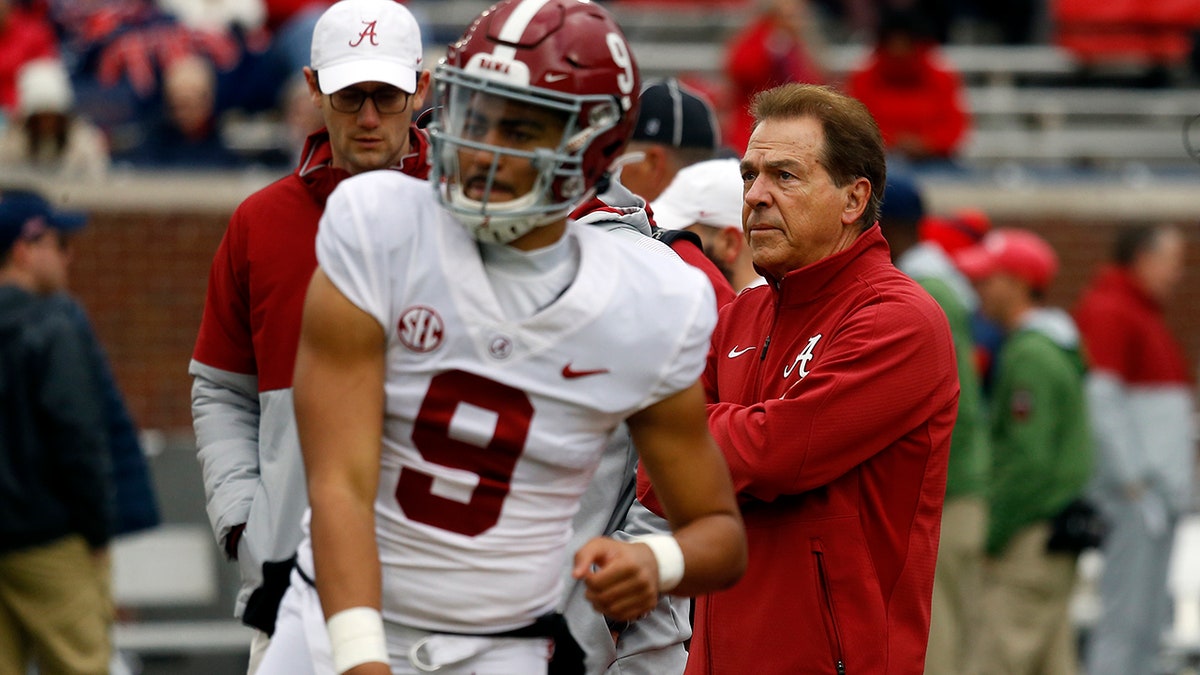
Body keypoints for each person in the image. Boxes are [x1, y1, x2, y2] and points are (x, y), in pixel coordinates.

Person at [258, 1, 748, 673]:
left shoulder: (651, 294)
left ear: (590, 142)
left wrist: (655, 559)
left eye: (518, 127)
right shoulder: (375, 225)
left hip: (502, 647)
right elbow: (338, 481)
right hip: (338, 619)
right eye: (477, 116)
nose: (484, 146)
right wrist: (360, 657)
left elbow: (718, 532)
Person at [650, 82, 958, 674]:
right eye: (749, 176)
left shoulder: (901, 319)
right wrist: (704, 440)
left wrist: (689, 434)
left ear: (853, 199)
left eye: (785, 176)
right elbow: (656, 480)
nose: (757, 196)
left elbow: (777, 455)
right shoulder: (742, 310)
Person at [189, 0, 431, 671]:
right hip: (289, 584)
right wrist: (247, 523)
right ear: (312, 87)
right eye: (351, 95)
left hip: (448, 595)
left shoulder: (471, 215)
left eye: (386, 94)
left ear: (423, 87)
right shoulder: (259, 223)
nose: (370, 117)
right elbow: (220, 388)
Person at [955, 228, 1093, 675]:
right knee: (1053, 663)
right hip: (1051, 534)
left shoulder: (1030, 354)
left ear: (1017, 283)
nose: (979, 290)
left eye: (988, 279)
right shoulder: (1049, 343)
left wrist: (993, 535)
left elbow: (1027, 461)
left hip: (1028, 539)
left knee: (993, 661)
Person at [878, 175, 991, 675]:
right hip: (960, 486)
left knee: (938, 638)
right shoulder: (938, 282)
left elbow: (951, 404)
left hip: (947, 490)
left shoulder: (924, 289)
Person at [0, 188, 113, 675]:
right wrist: (98, 530)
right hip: (49, 538)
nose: (67, 256)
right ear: (25, 249)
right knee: (80, 667)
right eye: (58, 243)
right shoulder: (51, 325)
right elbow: (78, 439)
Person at [1074, 223, 1195, 675]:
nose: (1177, 273)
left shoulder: (1140, 314)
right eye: (1172, 260)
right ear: (1143, 258)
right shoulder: (1111, 310)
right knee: (1125, 619)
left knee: (1147, 622)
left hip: (1152, 494)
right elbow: (1101, 403)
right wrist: (1132, 482)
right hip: (1137, 497)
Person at [845, 7, 969, 163]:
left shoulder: (941, 78)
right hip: (882, 160)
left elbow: (954, 125)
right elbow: (857, 125)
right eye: (894, 43)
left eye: (905, 43)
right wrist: (893, 142)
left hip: (935, 160)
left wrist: (926, 144)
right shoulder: (863, 78)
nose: (899, 50)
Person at [723, 0, 827, 155]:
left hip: (793, 128)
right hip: (754, 125)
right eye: (790, 16)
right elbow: (741, 70)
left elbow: (813, 84)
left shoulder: (799, 46)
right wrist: (770, 53)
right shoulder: (757, 39)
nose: (798, 21)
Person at [651, 158, 765, 292]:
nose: (664, 244)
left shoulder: (751, 310)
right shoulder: (752, 307)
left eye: (681, 238)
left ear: (729, 243)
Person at [0, 58, 110, 180]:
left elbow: (97, 180)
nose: (47, 124)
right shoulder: (12, 141)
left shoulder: (84, 141)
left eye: (53, 117)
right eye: (40, 118)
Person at [617, 78, 721, 204]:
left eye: (615, 157)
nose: (607, 172)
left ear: (653, 164)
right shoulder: (738, 216)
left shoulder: (603, 220)